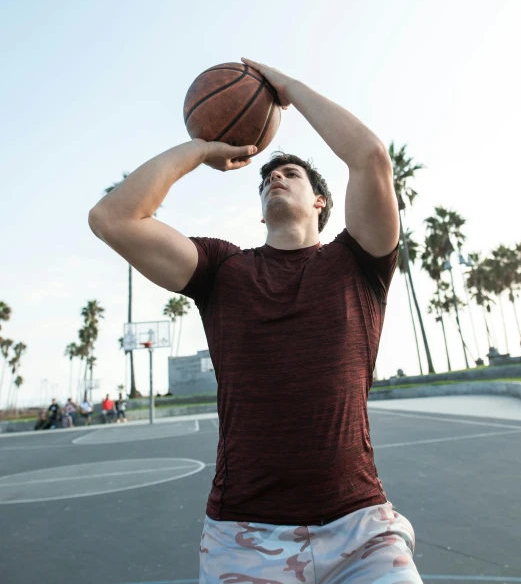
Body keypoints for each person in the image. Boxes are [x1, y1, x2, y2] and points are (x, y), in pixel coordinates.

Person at [89, 57, 422, 583]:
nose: (275, 177)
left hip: (361, 528)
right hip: (244, 535)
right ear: (260, 209)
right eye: (267, 177)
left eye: (290, 173)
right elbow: (112, 218)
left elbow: (369, 157)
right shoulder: (223, 270)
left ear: (318, 201)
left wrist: (286, 90)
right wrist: (201, 148)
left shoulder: (358, 262)